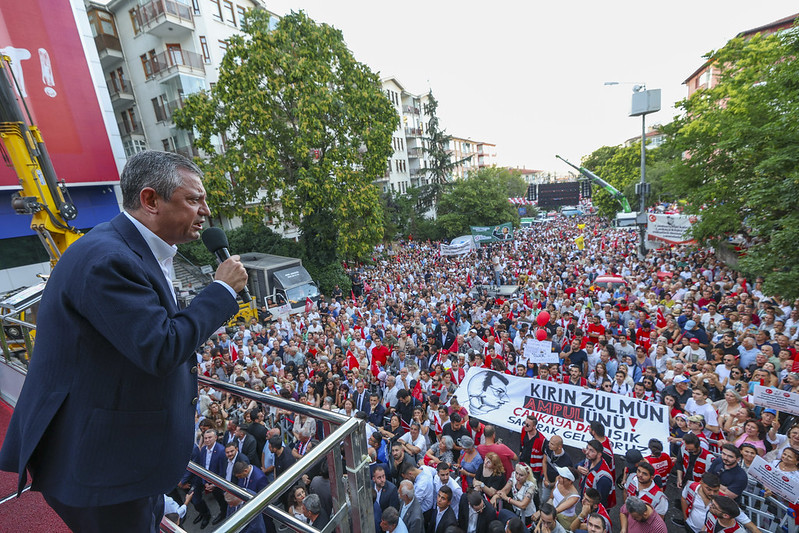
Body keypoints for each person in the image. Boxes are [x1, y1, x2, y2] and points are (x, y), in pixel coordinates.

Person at [0, 151, 248, 532]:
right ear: (150, 200)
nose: (206, 211)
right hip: (102, 470)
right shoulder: (109, 259)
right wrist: (221, 291)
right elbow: (161, 346)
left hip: (121, 454)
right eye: (194, 199)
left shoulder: (125, 248)